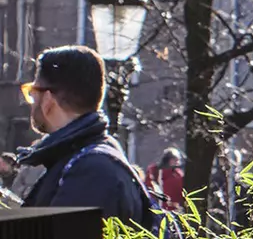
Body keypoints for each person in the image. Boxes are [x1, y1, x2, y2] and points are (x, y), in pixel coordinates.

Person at [17, 46, 156, 228]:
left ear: (48, 100)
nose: (31, 102)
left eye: (32, 93)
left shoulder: (90, 171)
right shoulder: (89, 158)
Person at [145, 147, 186, 213]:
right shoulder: (154, 171)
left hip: (174, 210)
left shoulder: (178, 174)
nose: (177, 162)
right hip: (156, 208)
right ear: (169, 160)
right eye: (175, 160)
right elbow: (149, 187)